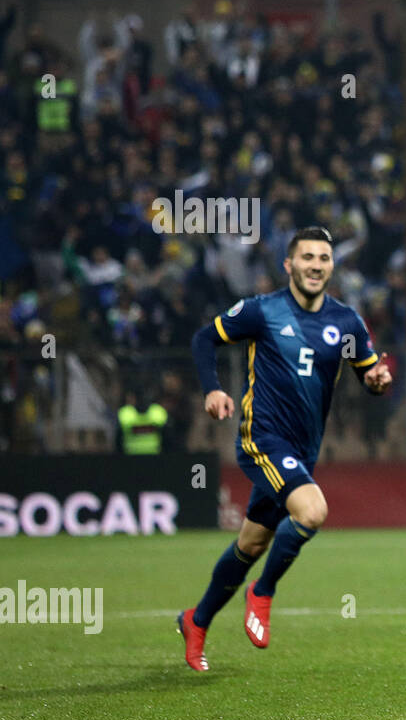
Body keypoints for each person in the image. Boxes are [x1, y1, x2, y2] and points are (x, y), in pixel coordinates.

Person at [178, 227, 392, 672]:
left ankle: (195, 621)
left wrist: (376, 383)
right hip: (262, 439)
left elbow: (369, 375)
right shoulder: (262, 311)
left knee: (252, 543)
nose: (316, 265)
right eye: (307, 257)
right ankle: (264, 592)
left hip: (303, 449)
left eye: (324, 258)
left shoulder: (347, 322)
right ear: (288, 265)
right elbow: (204, 339)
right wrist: (212, 391)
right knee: (312, 512)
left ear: (332, 266)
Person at [117, 389, 168, 455]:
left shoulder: (158, 413)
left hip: (154, 457)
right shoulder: (125, 414)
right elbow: (118, 439)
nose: (142, 400)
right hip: (130, 458)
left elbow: (166, 438)